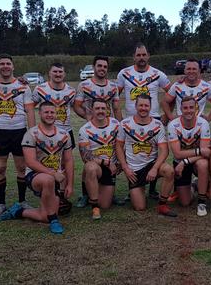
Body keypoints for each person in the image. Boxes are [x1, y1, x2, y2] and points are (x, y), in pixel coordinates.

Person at [0, 102, 73, 235]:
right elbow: (30, 162)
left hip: (55, 178)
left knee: (45, 217)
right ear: (40, 114)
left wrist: (70, 184)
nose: (50, 115)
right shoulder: (31, 133)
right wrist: (53, 173)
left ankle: (17, 211)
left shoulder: (64, 134)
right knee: (48, 180)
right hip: (35, 176)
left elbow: (68, 160)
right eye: (46, 112)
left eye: (52, 112)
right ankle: (54, 220)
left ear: (56, 114)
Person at [117, 43, 171, 200]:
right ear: (134, 57)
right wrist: (120, 119)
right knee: (133, 152)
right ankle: (134, 187)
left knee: (153, 154)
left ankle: (152, 189)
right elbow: (115, 97)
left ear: (148, 56)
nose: (141, 58)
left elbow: (172, 93)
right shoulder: (124, 73)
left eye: (143, 55)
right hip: (131, 120)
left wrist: (166, 115)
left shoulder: (158, 74)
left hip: (153, 118)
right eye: (138, 55)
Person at [0, 54, 35, 216]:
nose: (5, 66)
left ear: (13, 67)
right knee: (0, 168)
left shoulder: (23, 86)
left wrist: (32, 133)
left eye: (8, 64)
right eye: (2, 64)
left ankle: (22, 201)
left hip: (19, 131)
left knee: (21, 167)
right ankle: (1, 203)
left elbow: (29, 110)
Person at [115, 94, 176, 217]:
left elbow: (164, 150)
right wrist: (125, 168)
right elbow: (118, 147)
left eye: (146, 105)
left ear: (150, 107)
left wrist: (154, 169)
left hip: (150, 165)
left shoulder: (157, 125)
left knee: (169, 170)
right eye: (141, 105)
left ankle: (162, 205)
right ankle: (140, 190)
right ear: (136, 106)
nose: (143, 108)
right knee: (140, 207)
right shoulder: (125, 124)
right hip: (134, 170)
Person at [31, 63, 80, 205]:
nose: (58, 74)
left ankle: (61, 195)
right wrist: (34, 129)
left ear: (64, 74)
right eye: (55, 72)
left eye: (60, 72)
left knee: (64, 164)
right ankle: (47, 192)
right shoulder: (40, 89)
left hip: (65, 131)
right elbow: (30, 107)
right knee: (46, 162)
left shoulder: (71, 91)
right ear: (49, 73)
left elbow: (76, 108)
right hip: (45, 133)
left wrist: (91, 118)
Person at [167, 97, 211, 216]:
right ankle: (195, 185)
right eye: (185, 108)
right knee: (185, 202)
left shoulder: (203, 123)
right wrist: (198, 151)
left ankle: (201, 202)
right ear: (180, 109)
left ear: (196, 108)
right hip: (180, 161)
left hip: (191, 162)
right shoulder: (173, 125)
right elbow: (177, 153)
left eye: (191, 107)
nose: (188, 110)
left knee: (203, 163)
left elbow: (206, 152)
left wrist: (185, 161)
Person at [78, 99, 121, 220]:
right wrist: (106, 162)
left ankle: (97, 193)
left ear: (108, 110)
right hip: (97, 165)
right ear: (92, 110)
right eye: (97, 108)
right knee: (90, 167)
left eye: (103, 108)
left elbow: (122, 145)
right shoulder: (85, 129)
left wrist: (120, 163)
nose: (100, 111)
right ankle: (94, 207)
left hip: (111, 167)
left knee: (106, 205)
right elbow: (85, 156)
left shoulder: (116, 124)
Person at [74, 56, 122, 121]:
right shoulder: (83, 86)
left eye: (105, 67)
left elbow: (116, 109)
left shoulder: (113, 86)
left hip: (110, 126)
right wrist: (87, 116)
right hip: (92, 127)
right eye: (99, 66)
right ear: (93, 67)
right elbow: (77, 106)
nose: (102, 68)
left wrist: (119, 126)